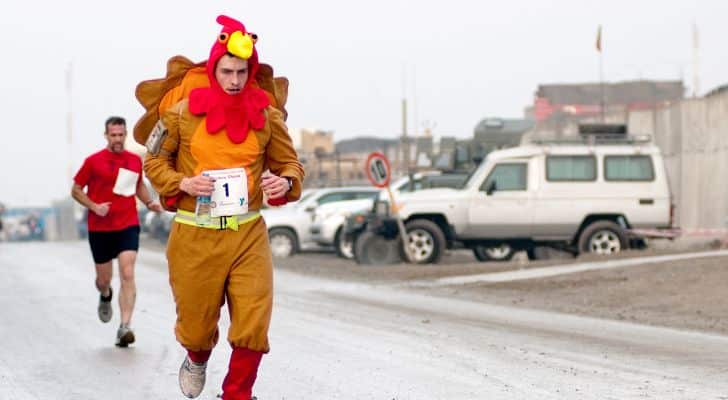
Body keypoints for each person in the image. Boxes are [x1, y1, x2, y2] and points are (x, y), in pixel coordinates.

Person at [140, 15, 304, 400]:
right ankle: (196, 358)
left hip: (247, 233)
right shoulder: (180, 114)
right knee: (196, 328)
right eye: (227, 71)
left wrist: (285, 181)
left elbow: (291, 165)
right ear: (214, 69)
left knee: (253, 322)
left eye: (242, 72)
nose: (234, 80)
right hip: (194, 234)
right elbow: (152, 162)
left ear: (251, 72)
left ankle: (237, 394)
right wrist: (181, 182)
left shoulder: (267, 116)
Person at [71, 116, 163, 347]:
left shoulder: (134, 160)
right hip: (100, 227)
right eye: (113, 135)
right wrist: (94, 206)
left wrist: (150, 202)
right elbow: (76, 189)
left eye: (121, 135)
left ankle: (125, 327)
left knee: (128, 272)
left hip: (127, 224)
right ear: (106, 136)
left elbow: (139, 185)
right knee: (104, 279)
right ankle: (105, 294)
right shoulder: (93, 161)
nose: (118, 139)